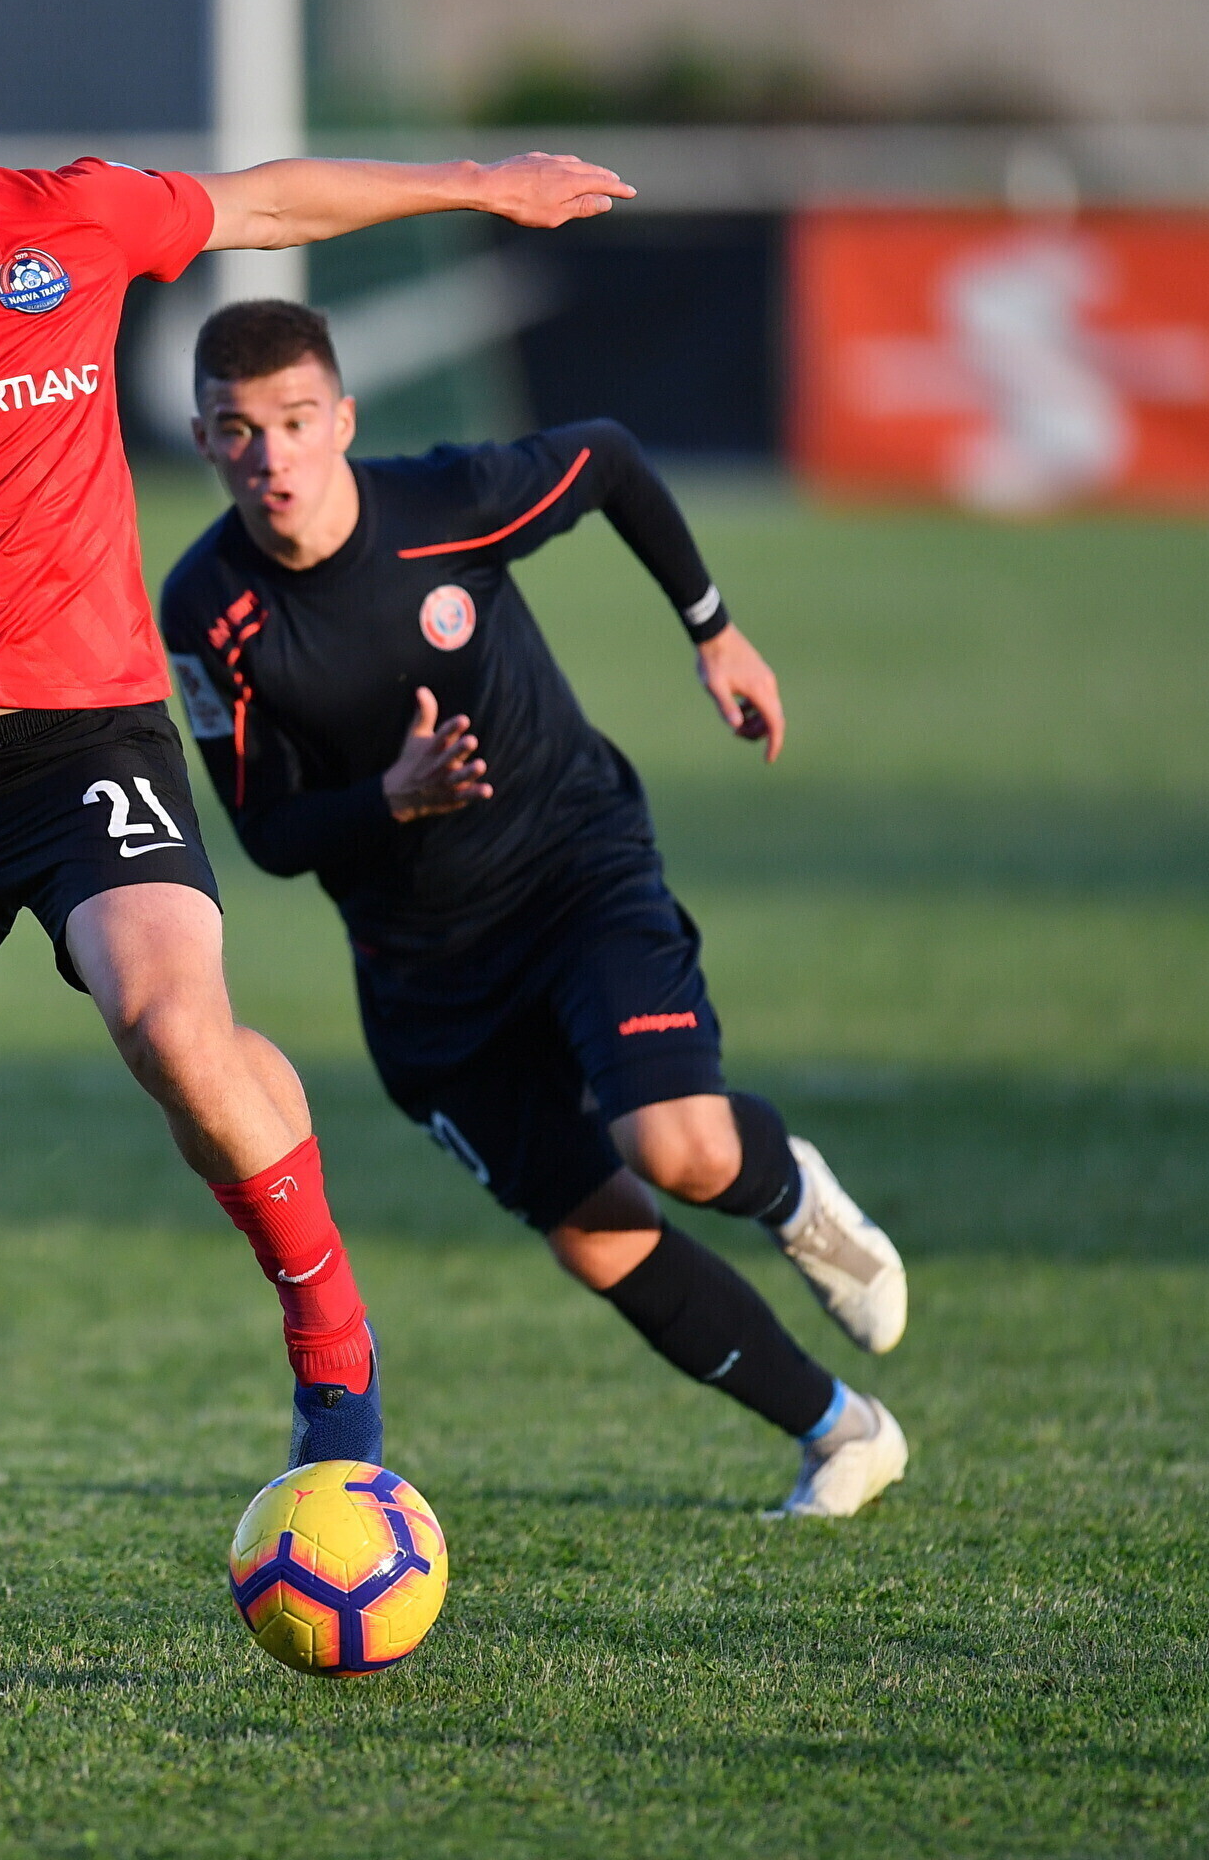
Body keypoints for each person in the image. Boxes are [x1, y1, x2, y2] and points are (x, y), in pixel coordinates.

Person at [0, 0, 632, 1480]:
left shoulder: (75, 221)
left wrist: (478, 183)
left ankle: (334, 1357)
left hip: (88, 738)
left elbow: (270, 204)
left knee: (176, 1026)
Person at [157, 299, 911, 1518]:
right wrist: (393, 799)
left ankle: (786, 1188)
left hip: (571, 870)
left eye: (295, 421)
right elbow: (268, 831)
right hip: (424, 974)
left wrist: (715, 632)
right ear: (202, 438)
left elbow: (608, 457)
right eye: (239, 430)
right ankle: (844, 1431)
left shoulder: (444, 503)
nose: (271, 456)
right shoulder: (207, 606)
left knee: (678, 1149)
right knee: (599, 1233)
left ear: (342, 419)